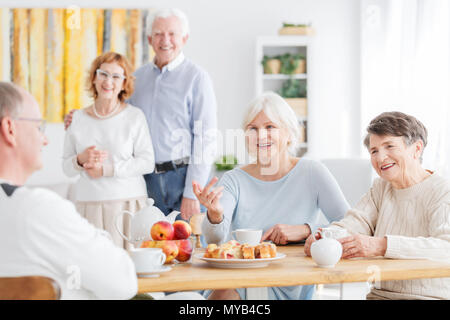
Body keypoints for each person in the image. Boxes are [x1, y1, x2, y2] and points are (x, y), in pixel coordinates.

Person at [193, 92, 350, 300]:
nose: (260, 136)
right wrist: (214, 216)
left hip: (290, 280)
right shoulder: (233, 179)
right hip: (242, 276)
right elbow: (214, 239)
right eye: (253, 129)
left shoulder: (312, 172)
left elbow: (350, 225)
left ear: (288, 133)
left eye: (270, 127)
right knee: (222, 293)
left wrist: (306, 230)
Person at [0, 82, 137, 299]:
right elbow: (124, 282)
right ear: (10, 129)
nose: (44, 139)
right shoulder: (38, 209)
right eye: (38, 127)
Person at [304, 111, 450, 300]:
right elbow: (353, 223)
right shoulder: (381, 188)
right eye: (374, 151)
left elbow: (446, 248)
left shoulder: (442, 191)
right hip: (379, 296)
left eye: (389, 146)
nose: (380, 158)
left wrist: (383, 245)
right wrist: (325, 237)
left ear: (417, 149)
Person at [128, 8, 217, 220]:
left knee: (190, 249)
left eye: (172, 34)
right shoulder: (136, 79)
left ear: (184, 38)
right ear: (149, 39)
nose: (165, 40)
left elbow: (206, 138)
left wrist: (191, 193)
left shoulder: (197, 78)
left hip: (185, 178)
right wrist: (80, 117)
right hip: (147, 181)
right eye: (158, 33)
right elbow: (118, 119)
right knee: (154, 249)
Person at [62, 52, 155, 249]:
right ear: (94, 77)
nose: (108, 81)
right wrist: (81, 159)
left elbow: (147, 162)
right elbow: (66, 167)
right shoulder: (76, 118)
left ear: (124, 84)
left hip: (127, 206)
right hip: (88, 207)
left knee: (132, 272)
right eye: (103, 74)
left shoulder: (134, 117)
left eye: (116, 76)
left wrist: (107, 170)